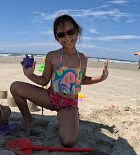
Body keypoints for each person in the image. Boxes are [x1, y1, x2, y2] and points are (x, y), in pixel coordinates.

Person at [10, 15, 109, 146]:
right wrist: (30, 75)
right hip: (50, 98)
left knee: (68, 141)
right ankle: (29, 120)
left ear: (77, 31)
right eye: (61, 34)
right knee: (15, 87)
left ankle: (66, 118)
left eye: (70, 32)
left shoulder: (83, 58)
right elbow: (44, 81)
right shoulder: (52, 56)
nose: (67, 38)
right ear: (57, 37)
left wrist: (102, 77)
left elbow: (82, 79)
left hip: (69, 104)